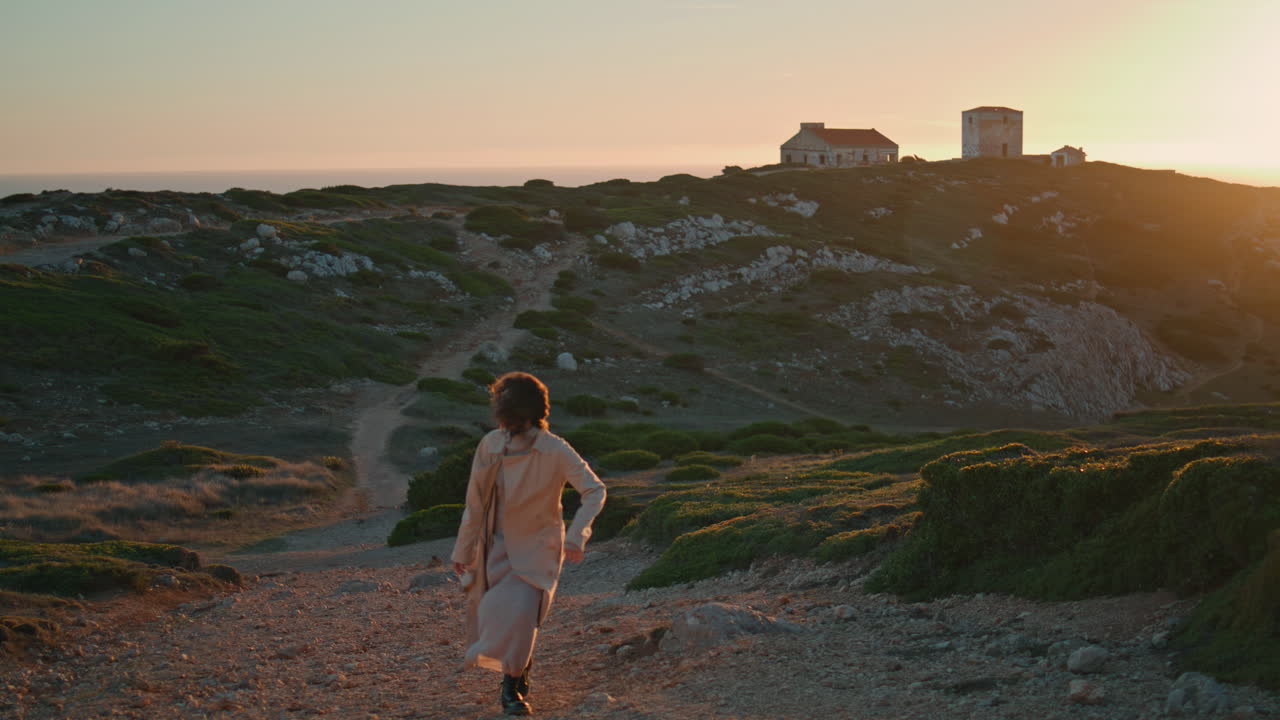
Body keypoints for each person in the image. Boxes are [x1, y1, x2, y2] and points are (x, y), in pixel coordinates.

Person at [451, 371, 606, 716]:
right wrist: (463, 550)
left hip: (539, 549)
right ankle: (516, 674)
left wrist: (577, 535)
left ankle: (511, 686)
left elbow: (595, 490)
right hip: (494, 547)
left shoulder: (554, 448)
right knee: (499, 616)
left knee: (522, 615)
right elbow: (475, 503)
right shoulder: (491, 444)